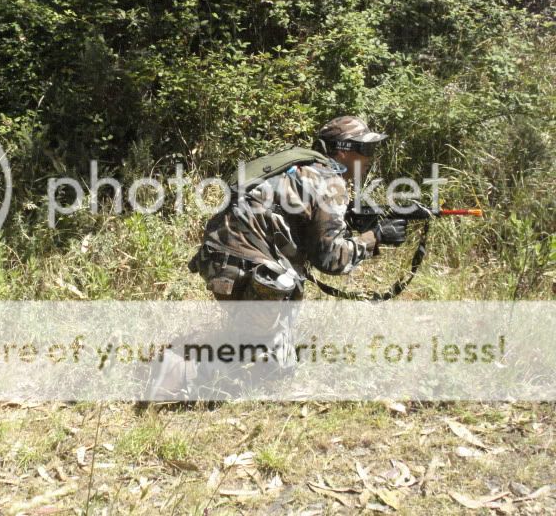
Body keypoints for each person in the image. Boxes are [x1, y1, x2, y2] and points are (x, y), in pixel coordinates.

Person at [145, 116, 408, 401]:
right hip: (250, 271)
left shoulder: (295, 167)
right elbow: (331, 260)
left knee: (258, 341)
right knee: (274, 368)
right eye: (365, 150)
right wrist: (375, 238)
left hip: (221, 262)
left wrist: (348, 222)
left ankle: (209, 350)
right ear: (342, 151)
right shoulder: (329, 180)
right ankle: (180, 373)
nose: (369, 159)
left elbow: (288, 219)